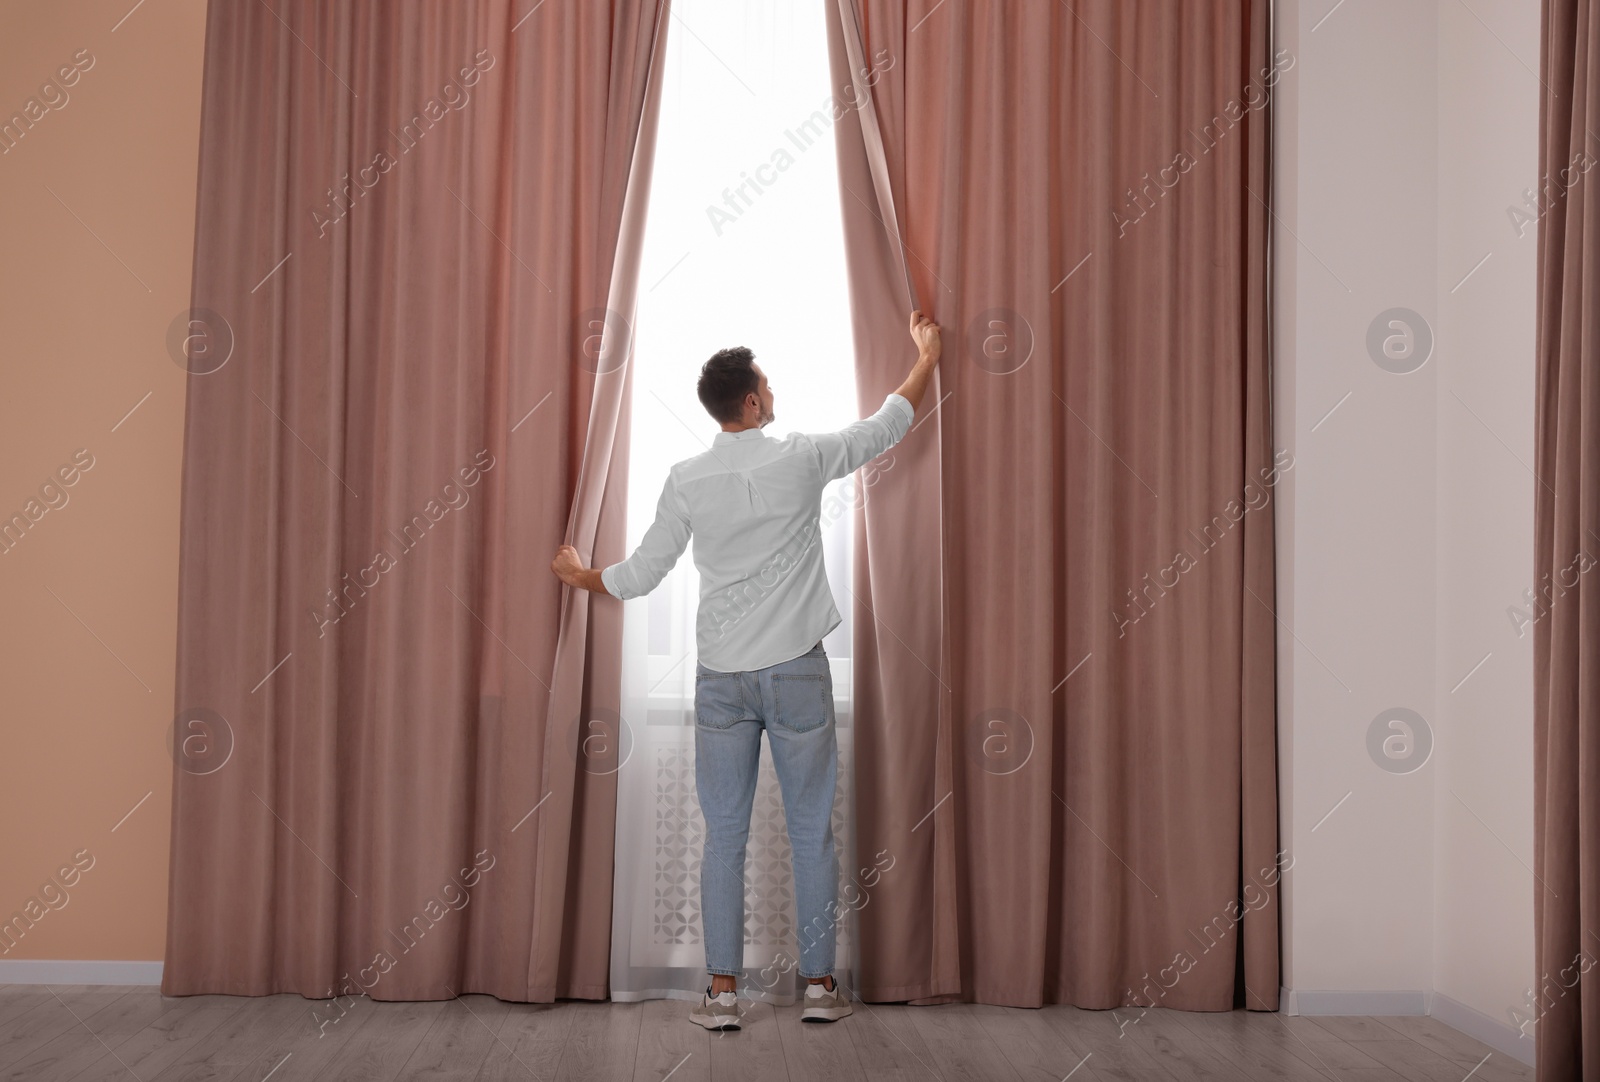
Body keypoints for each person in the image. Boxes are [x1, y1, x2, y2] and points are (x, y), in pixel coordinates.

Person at [550, 309, 942, 1030]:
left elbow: (639, 577)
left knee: (723, 837)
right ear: (754, 402)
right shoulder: (800, 455)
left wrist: (581, 576)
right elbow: (889, 423)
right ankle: (821, 991)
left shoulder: (687, 478)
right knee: (811, 831)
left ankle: (722, 996)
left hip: (723, 680)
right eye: (767, 382)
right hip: (796, 672)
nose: (772, 389)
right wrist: (925, 355)